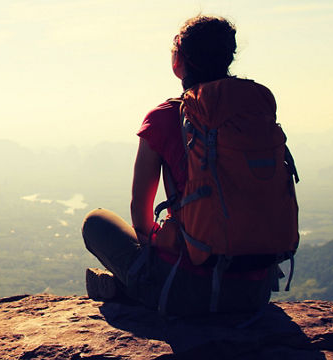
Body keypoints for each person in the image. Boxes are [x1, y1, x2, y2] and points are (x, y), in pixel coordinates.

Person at [81, 15, 283, 316]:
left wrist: (165, 245)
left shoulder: (164, 118)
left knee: (96, 222)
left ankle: (133, 288)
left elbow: (140, 214)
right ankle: (131, 287)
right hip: (256, 290)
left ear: (179, 62)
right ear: (228, 57)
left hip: (189, 291)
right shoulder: (252, 109)